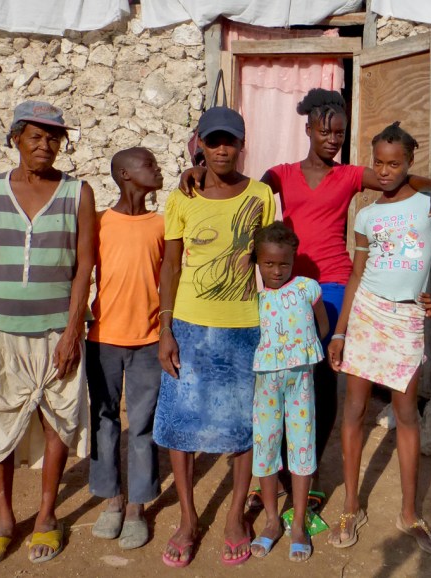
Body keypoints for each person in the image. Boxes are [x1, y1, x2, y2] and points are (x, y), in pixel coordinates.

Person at [181, 88, 431, 510]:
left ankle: (303, 476)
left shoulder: (349, 176)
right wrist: (199, 172)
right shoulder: (281, 174)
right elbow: (241, 188)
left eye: (339, 133)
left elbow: (396, 177)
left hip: (332, 286)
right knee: (276, 378)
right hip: (284, 287)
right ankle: (267, 476)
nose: (332, 140)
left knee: (323, 382)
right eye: (324, 131)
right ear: (307, 129)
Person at [0, 100, 95, 567]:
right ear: (15, 139)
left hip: (55, 329)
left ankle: (45, 516)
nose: (46, 145)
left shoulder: (78, 193)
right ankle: (2, 519)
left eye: (54, 137)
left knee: (56, 418)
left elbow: (84, 268)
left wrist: (74, 328)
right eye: (35, 136)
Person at [326, 122, 431, 554]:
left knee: (405, 414)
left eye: (394, 163)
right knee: (355, 410)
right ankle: (350, 504)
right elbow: (356, 275)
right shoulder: (365, 215)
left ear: (408, 164)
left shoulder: (429, 205)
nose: (385, 171)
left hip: (404, 321)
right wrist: (341, 330)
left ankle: (408, 512)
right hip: (366, 312)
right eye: (379, 163)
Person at [154, 106, 275, 567]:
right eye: (213, 140)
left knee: (242, 425)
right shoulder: (182, 197)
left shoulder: (262, 195)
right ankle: (187, 520)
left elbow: (272, 258)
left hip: (244, 325)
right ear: (199, 144)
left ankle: (233, 516)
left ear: (242, 145)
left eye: (230, 141)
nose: (222, 149)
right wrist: (165, 328)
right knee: (182, 427)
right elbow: (171, 264)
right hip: (187, 323)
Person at [86, 147, 165, 550]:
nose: (157, 169)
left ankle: (136, 505)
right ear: (125, 174)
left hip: (149, 341)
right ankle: (111, 498)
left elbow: (169, 280)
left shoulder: (161, 225)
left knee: (143, 424)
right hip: (103, 338)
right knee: (103, 420)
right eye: (148, 164)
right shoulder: (99, 223)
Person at [248, 222, 329, 562]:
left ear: (294, 259)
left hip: (301, 382)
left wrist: (307, 351)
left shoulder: (307, 288)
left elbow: (322, 324)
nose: (277, 271)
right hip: (265, 383)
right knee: (265, 445)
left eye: (284, 263)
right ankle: (270, 520)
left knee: (302, 446)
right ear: (257, 261)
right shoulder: (253, 293)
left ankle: (297, 522)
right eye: (268, 263)